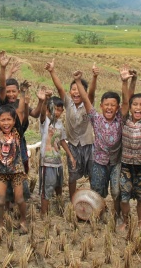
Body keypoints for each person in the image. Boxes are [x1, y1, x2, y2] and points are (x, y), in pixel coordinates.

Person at [72, 67, 130, 218]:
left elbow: (126, 102)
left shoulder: (120, 120)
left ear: (117, 108)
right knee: (98, 190)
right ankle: (99, 212)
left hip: (116, 162)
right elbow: (85, 99)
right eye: (107, 104)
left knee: (116, 191)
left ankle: (117, 215)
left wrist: (125, 82)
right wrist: (78, 81)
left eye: (113, 105)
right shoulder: (96, 119)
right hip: (98, 162)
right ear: (102, 106)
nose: (109, 107)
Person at [0, 51, 45, 206]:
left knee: (22, 167)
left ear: (18, 92)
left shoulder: (20, 104)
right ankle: (7, 199)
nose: (10, 94)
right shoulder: (3, 105)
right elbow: (2, 87)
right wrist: (4, 69)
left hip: (20, 142)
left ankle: (20, 196)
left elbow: (36, 114)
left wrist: (41, 101)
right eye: (8, 91)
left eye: (13, 91)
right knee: (4, 170)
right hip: (5, 143)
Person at [44, 59, 98, 201]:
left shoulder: (88, 104)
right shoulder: (68, 103)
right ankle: (74, 200)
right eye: (73, 89)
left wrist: (94, 77)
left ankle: (93, 199)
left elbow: (91, 94)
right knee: (72, 175)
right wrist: (52, 71)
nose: (76, 92)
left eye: (79, 89)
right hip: (73, 144)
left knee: (93, 174)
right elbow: (60, 89)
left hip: (88, 144)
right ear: (70, 92)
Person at [0, 78, 30, 233]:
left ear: (14, 121)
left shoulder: (17, 132)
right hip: (0, 172)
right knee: (0, 200)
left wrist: (24, 93)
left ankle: (23, 221)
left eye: (9, 120)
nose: (6, 123)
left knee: (19, 199)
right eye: (3, 120)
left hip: (16, 171)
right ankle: (0, 224)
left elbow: (19, 111)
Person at [118, 67, 141, 231]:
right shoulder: (124, 120)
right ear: (130, 107)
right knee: (124, 197)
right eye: (135, 105)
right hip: (126, 165)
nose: (138, 108)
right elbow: (124, 101)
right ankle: (125, 221)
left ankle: (140, 223)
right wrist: (124, 82)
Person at [38, 89, 75, 218]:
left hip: (57, 161)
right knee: (46, 188)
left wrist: (70, 155)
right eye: (54, 109)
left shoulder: (59, 124)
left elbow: (62, 140)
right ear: (48, 109)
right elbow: (42, 113)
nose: (57, 112)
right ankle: (44, 214)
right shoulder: (44, 121)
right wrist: (44, 100)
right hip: (46, 162)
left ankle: (60, 208)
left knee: (59, 185)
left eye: (60, 110)